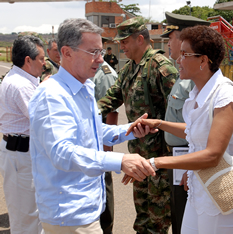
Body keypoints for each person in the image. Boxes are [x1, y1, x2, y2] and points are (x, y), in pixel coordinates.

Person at [28, 18, 156, 233]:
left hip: (86, 206)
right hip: (69, 212)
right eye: (93, 52)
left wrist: (128, 131)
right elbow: (62, 152)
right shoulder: (52, 96)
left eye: (101, 52)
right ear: (67, 53)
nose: (100, 59)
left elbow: (94, 132)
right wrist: (121, 160)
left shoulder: (85, 86)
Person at [124, 25, 233, 234]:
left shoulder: (225, 96)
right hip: (201, 186)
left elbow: (212, 155)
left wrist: (155, 162)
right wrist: (159, 124)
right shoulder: (198, 94)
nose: (177, 60)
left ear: (203, 60)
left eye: (185, 54)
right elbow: (196, 132)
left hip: (221, 192)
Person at [98, 17, 177, 233]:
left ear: (140, 39)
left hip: (160, 160)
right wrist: (82, 117)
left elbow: (180, 115)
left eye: (124, 42)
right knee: (142, 216)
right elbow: (111, 98)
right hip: (139, 157)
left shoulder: (161, 67)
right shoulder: (129, 68)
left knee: (157, 221)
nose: (120, 46)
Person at [160, 11, 210, 234]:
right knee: (179, 217)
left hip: (187, 158)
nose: (168, 43)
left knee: (185, 220)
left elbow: (202, 131)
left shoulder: (196, 77)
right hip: (179, 158)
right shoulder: (184, 74)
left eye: (170, 38)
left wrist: (192, 170)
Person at [0, 35, 45, 234]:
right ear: (28, 60)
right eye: (42, 59)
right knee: (26, 216)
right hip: (20, 154)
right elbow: (43, 120)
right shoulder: (21, 85)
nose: (45, 64)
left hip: (22, 153)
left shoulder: (25, 80)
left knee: (31, 212)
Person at [90, 60, 119, 234]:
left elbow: (112, 111)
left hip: (101, 139)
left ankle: (105, 228)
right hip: (90, 138)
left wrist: (107, 148)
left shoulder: (104, 73)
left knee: (103, 189)